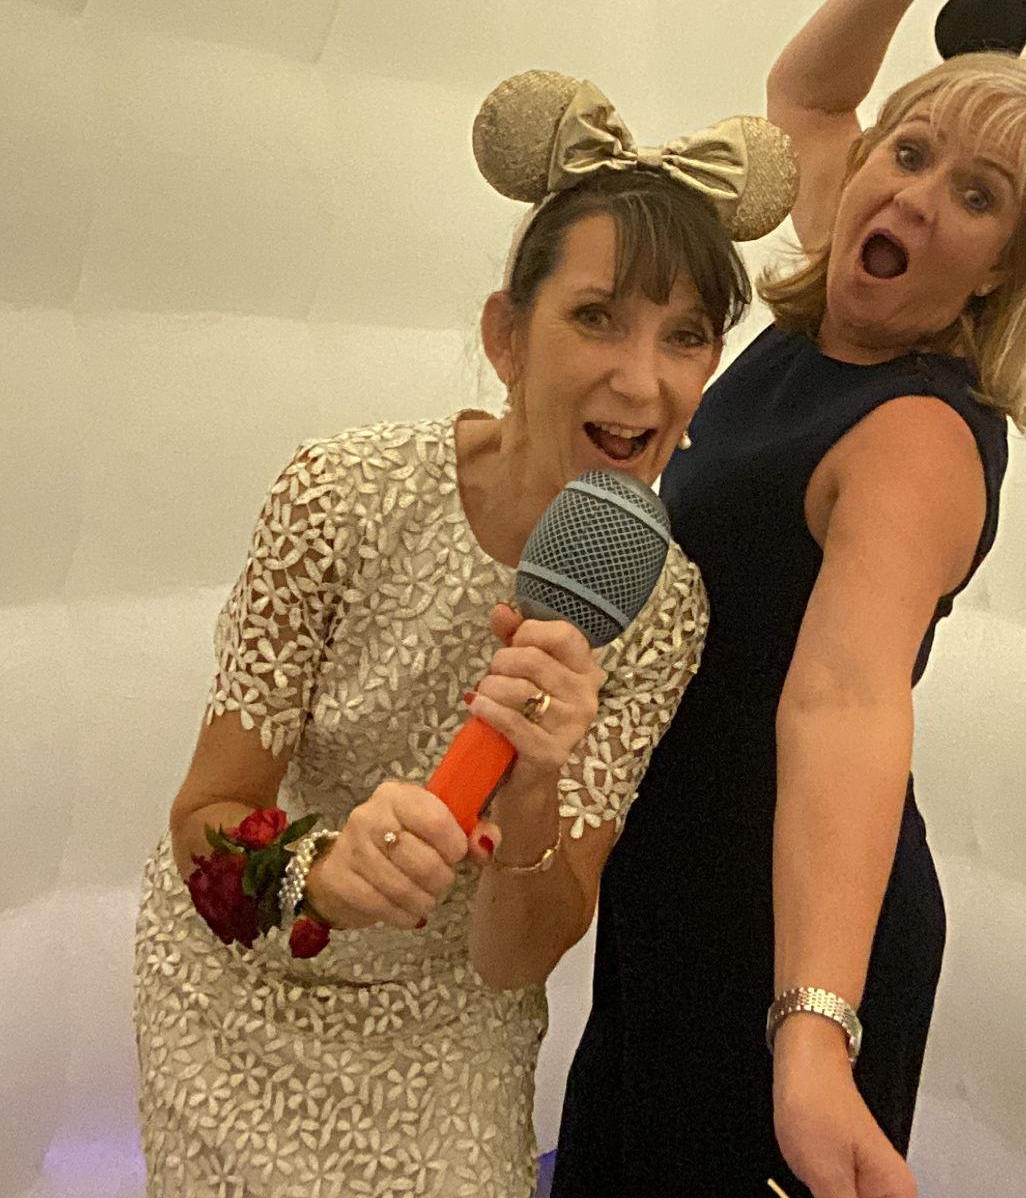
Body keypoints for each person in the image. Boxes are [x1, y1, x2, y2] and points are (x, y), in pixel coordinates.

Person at [550, 0, 1026, 1198]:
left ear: (1002, 266)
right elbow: (810, 99)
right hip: (674, 875)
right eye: (911, 152)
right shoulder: (838, 297)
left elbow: (841, 702)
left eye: (977, 195)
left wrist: (813, 1034)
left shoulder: (917, 438)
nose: (918, 193)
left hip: (792, 924)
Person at [132, 72, 797, 1198]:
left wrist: (534, 783)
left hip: (449, 1018)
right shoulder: (340, 494)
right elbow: (205, 818)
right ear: (506, 336)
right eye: (597, 317)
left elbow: (514, 956)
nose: (643, 379)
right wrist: (322, 869)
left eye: (685, 337)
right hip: (238, 985)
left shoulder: (663, 605)